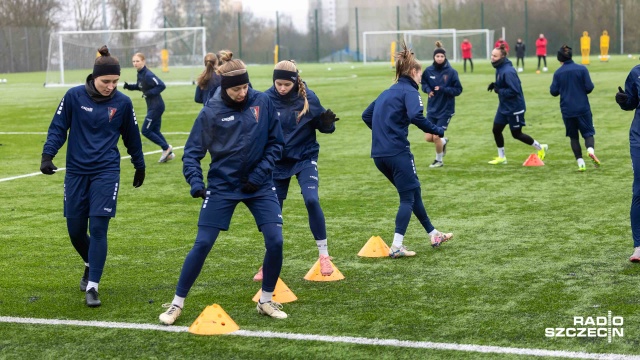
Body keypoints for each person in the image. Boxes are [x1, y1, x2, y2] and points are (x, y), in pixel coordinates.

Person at [158, 53, 287, 325]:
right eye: (236, 89)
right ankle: (176, 304)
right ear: (223, 87)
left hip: (259, 184)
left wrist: (260, 174)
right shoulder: (211, 111)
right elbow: (192, 153)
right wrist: (195, 182)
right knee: (203, 243)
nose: (242, 93)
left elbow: (276, 143)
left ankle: (265, 300)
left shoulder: (262, 101)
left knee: (275, 241)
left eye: (245, 87)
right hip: (223, 185)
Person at [40, 45, 146, 308]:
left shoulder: (123, 102)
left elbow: (132, 136)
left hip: (106, 171)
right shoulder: (74, 96)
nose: (111, 86)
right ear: (94, 77)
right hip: (76, 172)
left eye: (115, 81)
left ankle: (93, 286)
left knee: (98, 228)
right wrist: (47, 155)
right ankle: (89, 263)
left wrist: (139, 164)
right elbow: (58, 128)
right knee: (75, 230)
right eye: (106, 81)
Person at [362, 41, 453, 258]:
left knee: (413, 191)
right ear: (413, 72)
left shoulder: (386, 92)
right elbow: (416, 116)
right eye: (420, 74)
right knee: (407, 198)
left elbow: (366, 115)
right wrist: (437, 130)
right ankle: (396, 246)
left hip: (379, 155)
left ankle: (433, 233)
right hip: (397, 153)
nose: (421, 78)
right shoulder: (411, 92)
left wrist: (384, 132)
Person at [251, 60, 339, 281]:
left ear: (294, 82)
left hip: (305, 157)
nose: (281, 88)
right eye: (277, 83)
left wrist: (327, 124)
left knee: (312, 199)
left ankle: (324, 256)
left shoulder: (308, 97)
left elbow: (326, 127)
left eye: (285, 84)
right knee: (273, 213)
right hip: (277, 162)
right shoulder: (264, 99)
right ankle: (267, 264)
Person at [487, 43, 548, 165]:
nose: (492, 58)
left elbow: (514, 91)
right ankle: (502, 157)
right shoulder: (499, 68)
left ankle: (540, 147)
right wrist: (495, 85)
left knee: (516, 134)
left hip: (515, 108)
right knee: (496, 130)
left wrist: (499, 90)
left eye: (495, 56)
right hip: (504, 107)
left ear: (502, 57)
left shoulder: (508, 71)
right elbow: (504, 85)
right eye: (492, 55)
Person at [550, 45, 600, 172]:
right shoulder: (582, 69)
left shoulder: (558, 73)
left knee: (573, 137)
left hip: (567, 110)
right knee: (588, 133)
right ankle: (590, 150)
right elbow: (589, 87)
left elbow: (553, 91)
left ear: (559, 58)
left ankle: (580, 162)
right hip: (583, 108)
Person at [122, 52, 173, 163]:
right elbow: (140, 86)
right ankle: (168, 153)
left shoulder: (148, 75)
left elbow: (161, 85)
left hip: (156, 106)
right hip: (152, 106)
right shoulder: (140, 73)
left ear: (143, 62)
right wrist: (129, 87)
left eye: (137, 61)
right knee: (155, 130)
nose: (135, 63)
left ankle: (166, 148)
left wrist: (148, 93)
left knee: (145, 130)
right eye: (133, 61)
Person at [421, 41, 463, 168]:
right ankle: (444, 141)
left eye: (442, 56)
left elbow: (458, 90)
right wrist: (428, 91)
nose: (439, 58)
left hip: (445, 110)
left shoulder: (451, 72)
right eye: (437, 56)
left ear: (445, 58)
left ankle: (439, 160)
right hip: (432, 109)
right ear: (434, 57)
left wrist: (444, 89)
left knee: (435, 137)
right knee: (428, 138)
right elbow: (423, 84)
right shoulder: (428, 71)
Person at [615, 63, 640, 262]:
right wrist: (624, 101)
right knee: (639, 190)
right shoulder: (636, 72)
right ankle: (639, 246)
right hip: (639, 139)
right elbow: (631, 102)